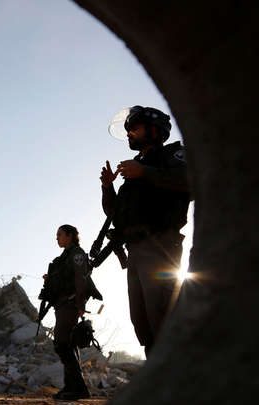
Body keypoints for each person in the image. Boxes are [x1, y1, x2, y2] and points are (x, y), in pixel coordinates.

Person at [100, 105, 190, 357]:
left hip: (160, 246)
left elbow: (190, 181)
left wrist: (145, 173)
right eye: (128, 129)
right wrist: (108, 188)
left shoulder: (172, 155)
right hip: (135, 252)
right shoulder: (134, 168)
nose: (129, 133)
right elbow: (116, 214)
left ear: (154, 130)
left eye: (134, 128)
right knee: (144, 324)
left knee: (164, 316)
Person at [42, 224, 92, 401]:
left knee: (62, 343)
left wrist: (80, 303)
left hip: (70, 303)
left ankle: (78, 388)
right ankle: (71, 387)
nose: (57, 238)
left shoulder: (77, 254)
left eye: (60, 234)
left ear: (70, 235)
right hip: (61, 304)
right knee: (68, 345)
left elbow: (80, 279)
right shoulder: (63, 258)